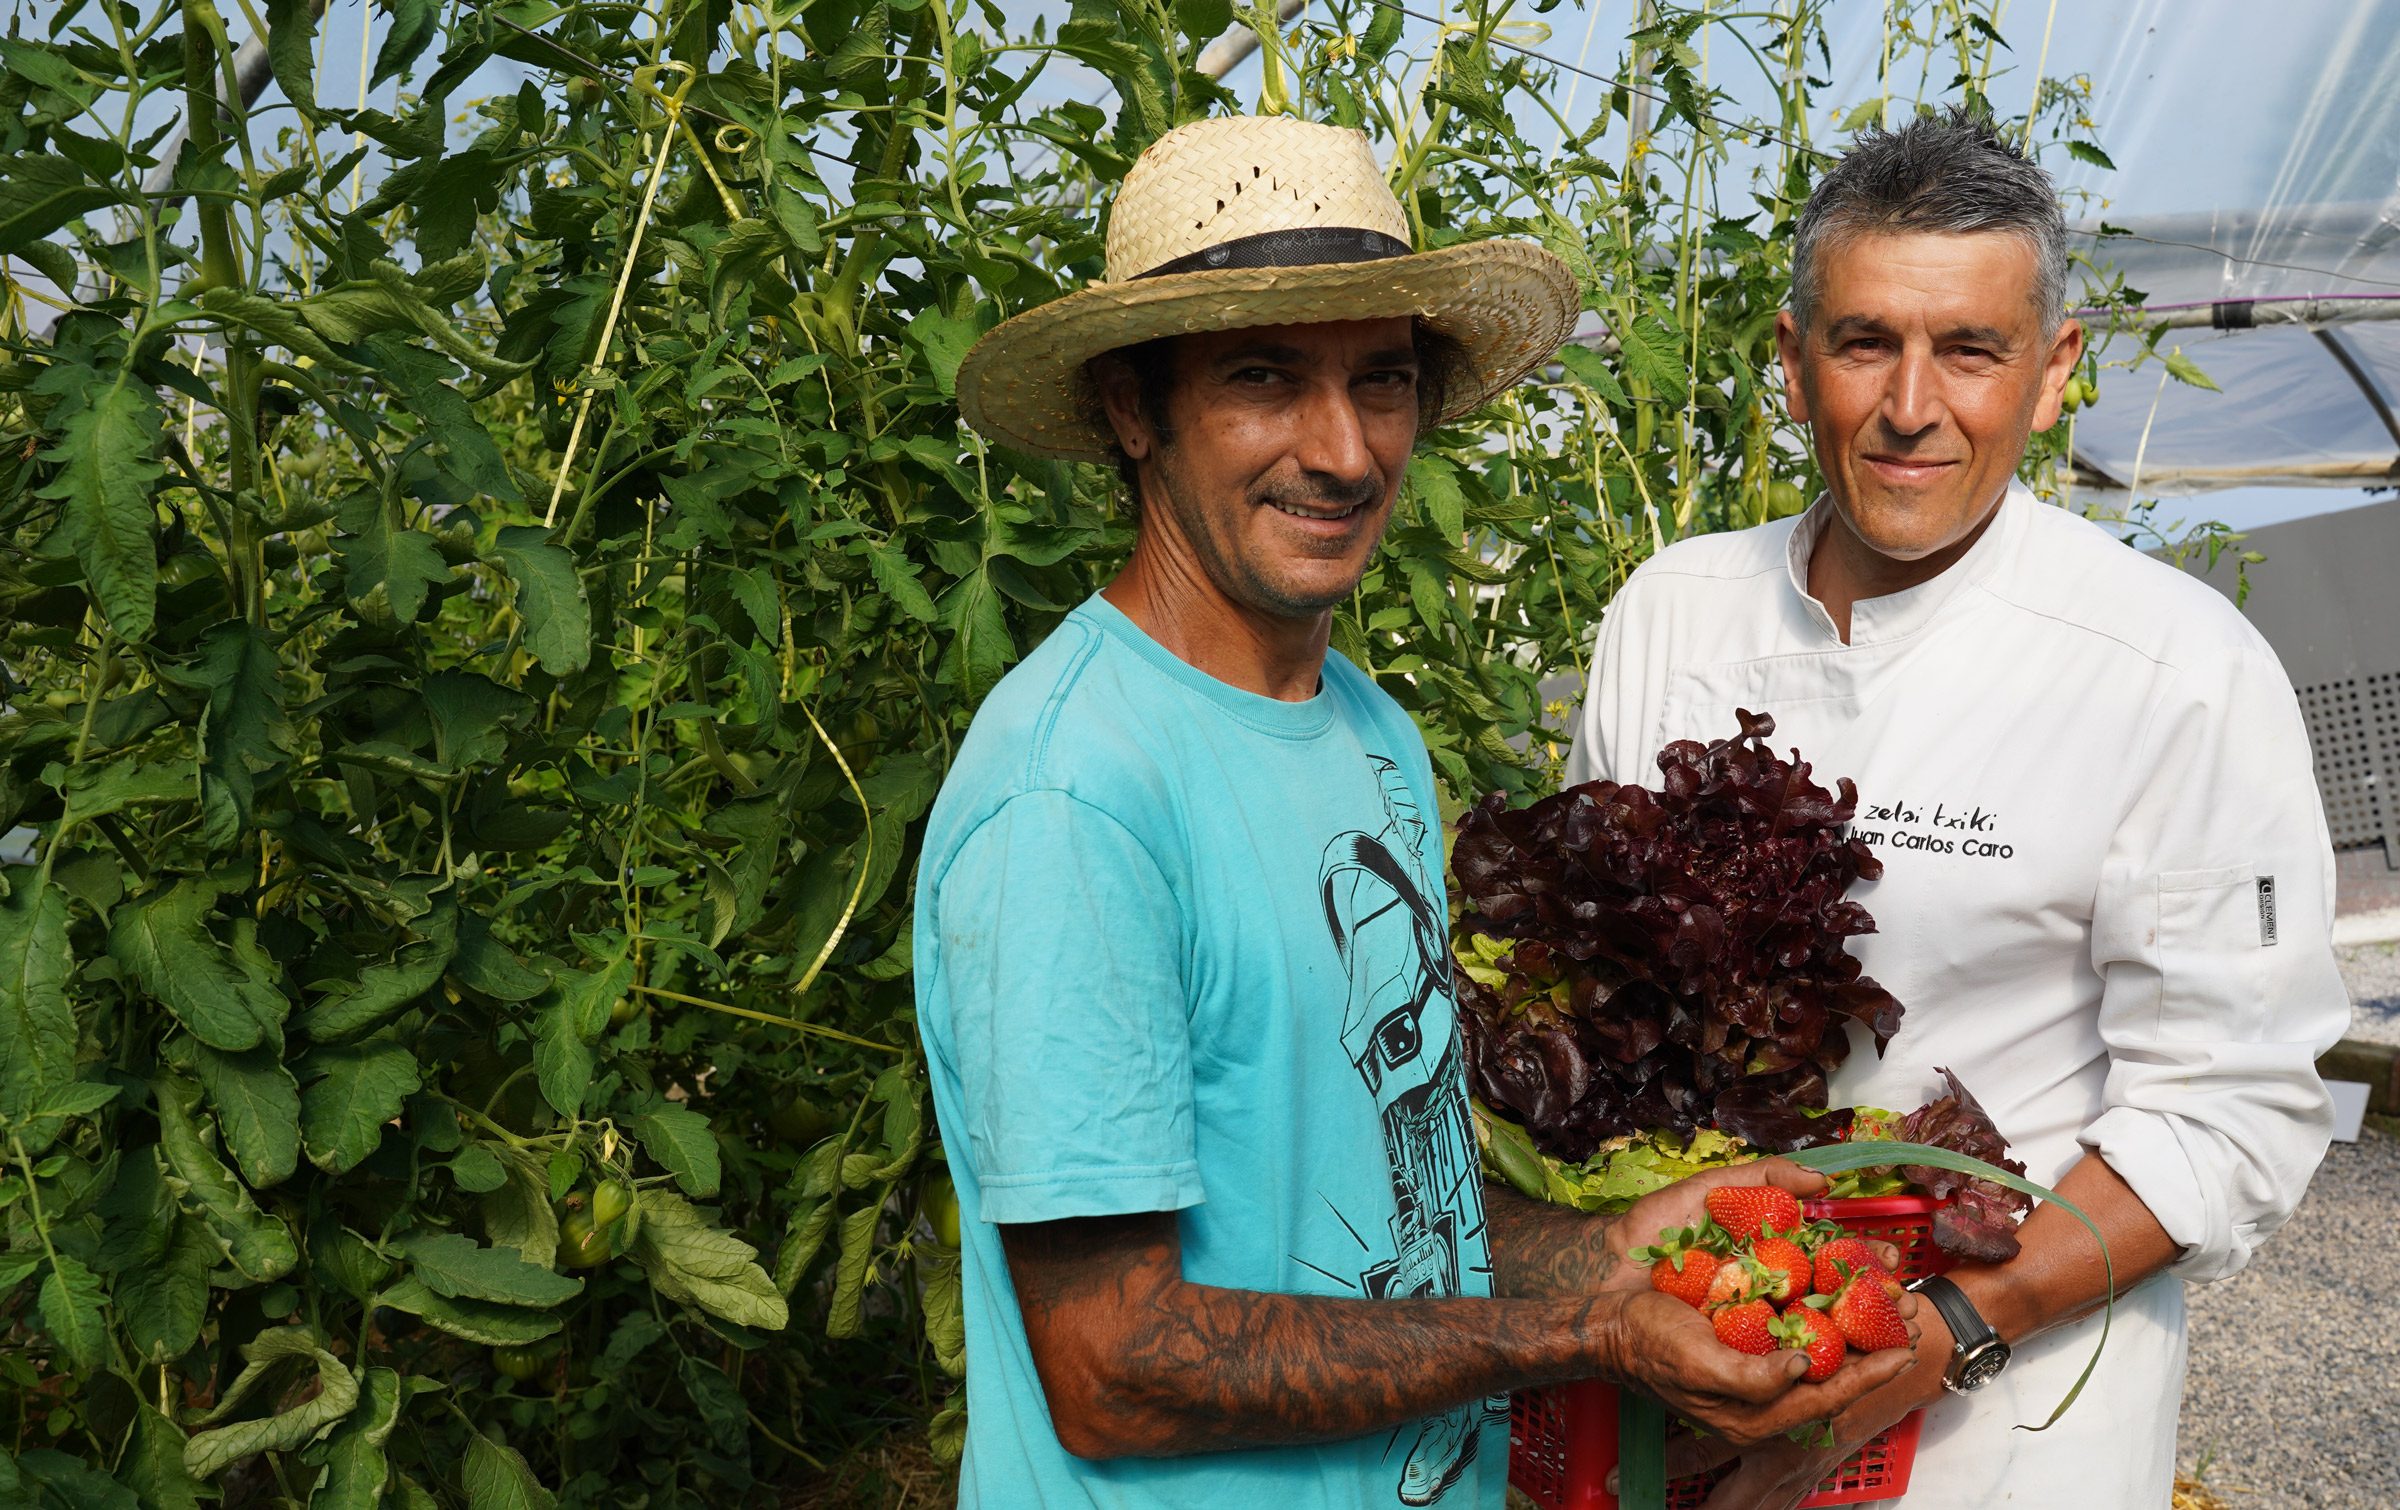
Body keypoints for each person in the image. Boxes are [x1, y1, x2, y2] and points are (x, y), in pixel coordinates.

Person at [918, 116, 1918, 1510]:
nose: (1343, 449)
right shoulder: (1078, 793)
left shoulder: (1368, 735)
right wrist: (1588, 1329)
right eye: (1265, 379)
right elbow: (1114, 1363)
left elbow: (1408, 1214)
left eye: (1382, 381)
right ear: (1133, 408)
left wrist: (1622, 1246)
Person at [1563, 108, 2352, 1508]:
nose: (1912, 405)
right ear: (1793, 365)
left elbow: (2228, 1104)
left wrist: (1945, 1331)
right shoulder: (1669, 615)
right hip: (1694, 1375)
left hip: (2011, 1429)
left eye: (1970, 350)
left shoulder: (2174, 668)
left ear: (2053, 373)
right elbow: (1590, 1008)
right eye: (1865, 342)